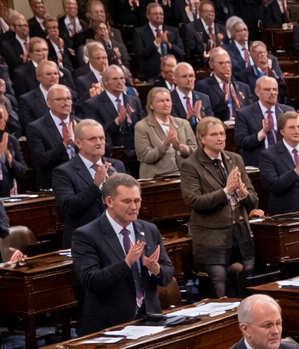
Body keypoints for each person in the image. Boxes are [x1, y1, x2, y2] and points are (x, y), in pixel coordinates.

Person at [72, 173, 175, 334]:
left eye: (137, 201)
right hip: (111, 325)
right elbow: (92, 281)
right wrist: (127, 263)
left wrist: (155, 269)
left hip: (150, 319)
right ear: (109, 201)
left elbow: (168, 273)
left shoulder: (149, 229)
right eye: (127, 201)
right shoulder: (86, 235)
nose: (134, 207)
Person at [182, 117, 259, 298]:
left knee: (248, 273)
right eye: (214, 134)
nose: (220, 138)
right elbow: (194, 201)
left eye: (222, 133)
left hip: (240, 231)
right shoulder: (191, 165)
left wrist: (242, 192)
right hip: (211, 235)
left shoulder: (235, 159)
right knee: (219, 280)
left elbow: (253, 200)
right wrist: (226, 191)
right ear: (202, 138)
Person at [52, 117, 127, 246]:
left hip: (116, 236)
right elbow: (69, 206)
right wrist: (96, 185)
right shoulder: (63, 172)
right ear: (78, 143)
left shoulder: (117, 166)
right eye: (93, 139)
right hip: (85, 240)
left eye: (102, 138)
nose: (99, 143)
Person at [134, 86, 195, 178]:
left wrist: (180, 147)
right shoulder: (142, 126)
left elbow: (194, 151)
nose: (166, 104)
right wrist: (165, 144)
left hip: (183, 174)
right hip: (157, 177)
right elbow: (145, 157)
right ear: (151, 105)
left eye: (168, 100)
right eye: (161, 101)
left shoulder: (183, 123)